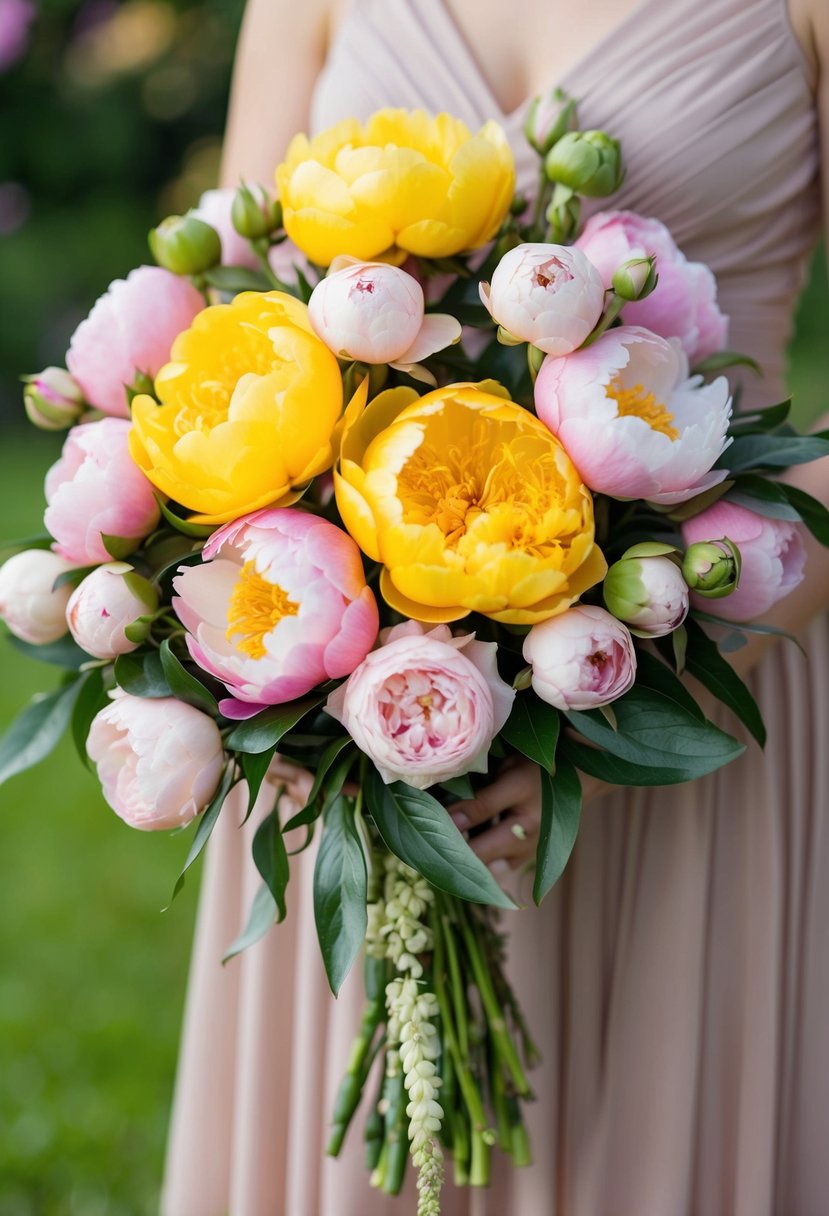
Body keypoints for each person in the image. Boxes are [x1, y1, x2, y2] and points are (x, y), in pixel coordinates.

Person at [162, 1, 829, 1212]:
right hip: (356, 705)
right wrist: (292, 690)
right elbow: (231, 328)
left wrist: (637, 662)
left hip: (689, 661)